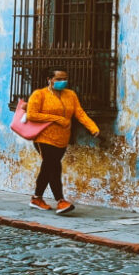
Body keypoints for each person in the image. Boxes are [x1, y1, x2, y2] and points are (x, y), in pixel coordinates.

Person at [25, 67, 98, 215]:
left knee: (47, 168)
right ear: (49, 80)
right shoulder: (39, 95)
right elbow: (31, 115)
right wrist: (57, 118)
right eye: (58, 79)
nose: (62, 81)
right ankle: (61, 201)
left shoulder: (70, 95)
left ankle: (36, 198)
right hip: (44, 138)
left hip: (62, 139)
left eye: (64, 78)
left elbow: (79, 112)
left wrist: (92, 127)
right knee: (54, 167)